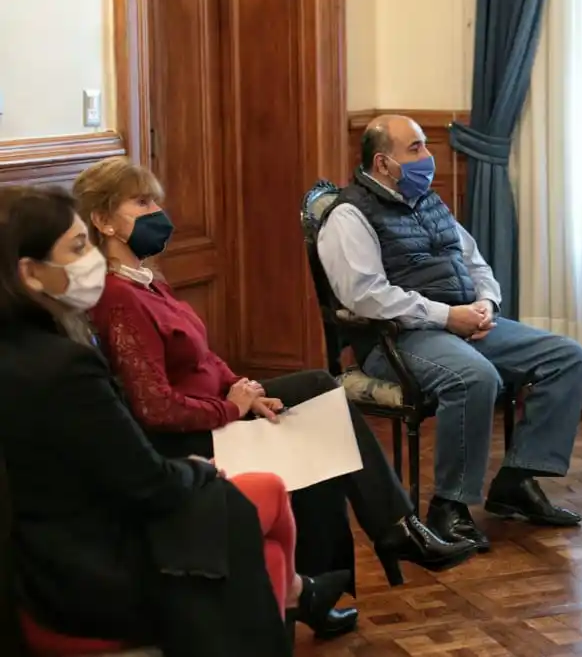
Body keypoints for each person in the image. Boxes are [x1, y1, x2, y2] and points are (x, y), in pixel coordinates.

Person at [72, 158, 476, 638]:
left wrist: (248, 390)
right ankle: (390, 534)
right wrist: (233, 407)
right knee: (318, 407)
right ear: (103, 221)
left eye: (156, 199)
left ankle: (336, 577)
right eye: (142, 202)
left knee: (316, 415)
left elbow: (204, 356)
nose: (158, 211)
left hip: (221, 410)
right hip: (189, 438)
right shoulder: (118, 298)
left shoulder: (149, 278)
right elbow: (154, 408)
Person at [0, 186, 349, 656]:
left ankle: (296, 593)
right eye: (78, 248)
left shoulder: (37, 345)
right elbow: (144, 477)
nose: (92, 262)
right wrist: (200, 467)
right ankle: (296, 596)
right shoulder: (64, 365)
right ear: (29, 273)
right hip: (83, 566)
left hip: (56, 541)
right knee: (250, 501)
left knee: (267, 490)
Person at [316, 114, 582, 551]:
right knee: (475, 377)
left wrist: (486, 303)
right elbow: (366, 296)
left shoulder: (427, 201)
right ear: (384, 163)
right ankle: (449, 507)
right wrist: (447, 316)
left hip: (462, 322)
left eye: (426, 145)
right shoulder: (349, 215)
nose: (429, 156)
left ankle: (516, 480)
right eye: (417, 148)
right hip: (398, 338)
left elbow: (474, 261)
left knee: (566, 357)